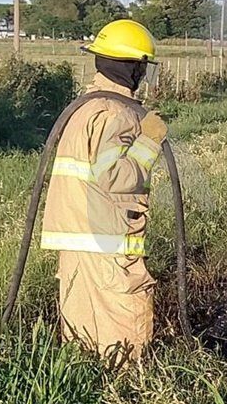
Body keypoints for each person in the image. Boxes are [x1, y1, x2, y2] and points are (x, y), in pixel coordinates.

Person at [40, 19, 166, 360]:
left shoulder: (85, 107)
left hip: (78, 238)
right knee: (124, 325)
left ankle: (88, 390)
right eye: (142, 67)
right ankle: (125, 394)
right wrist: (149, 142)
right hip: (106, 241)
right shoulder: (118, 112)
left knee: (84, 332)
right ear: (135, 67)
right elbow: (115, 177)